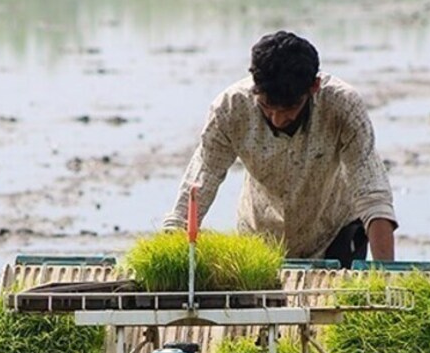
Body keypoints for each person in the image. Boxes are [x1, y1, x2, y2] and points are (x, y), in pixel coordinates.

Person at [162, 30, 397, 268]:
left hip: (334, 232)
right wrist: (172, 245)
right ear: (255, 87)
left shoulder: (343, 107)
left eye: (289, 108)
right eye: (267, 106)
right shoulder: (231, 109)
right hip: (260, 235)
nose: (277, 119)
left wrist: (386, 276)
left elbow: (372, 193)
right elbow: (203, 177)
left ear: (314, 87)